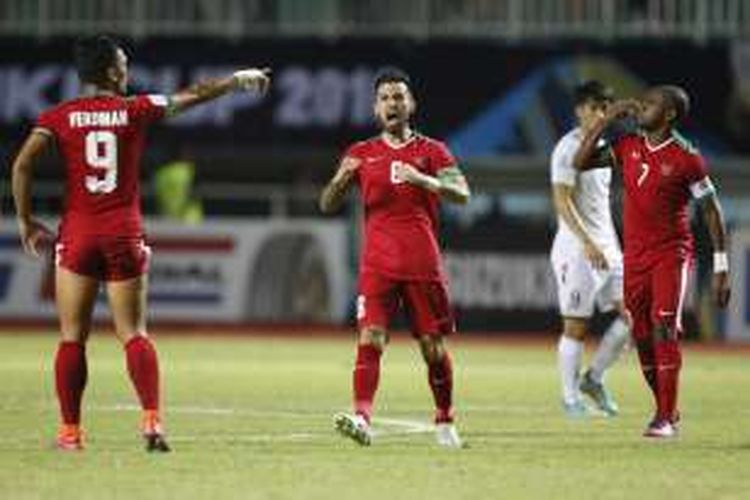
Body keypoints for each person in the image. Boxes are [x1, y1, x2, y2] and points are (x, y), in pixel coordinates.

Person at [11, 35, 270, 452]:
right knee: (133, 333)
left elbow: (22, 164)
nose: (127, 70)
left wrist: (24, 220)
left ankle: (70, 433)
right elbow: (192, 95)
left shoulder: (57, 117)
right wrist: (236, 81)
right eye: (124, 63)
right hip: (123, 233)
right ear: (112, 71)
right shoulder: (134, 109)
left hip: (77, 234)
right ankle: (151, 422)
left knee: (72, 338)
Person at [319, 67, 470, 447]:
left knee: (433, 348)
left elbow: (462, 193)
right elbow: (326, 203)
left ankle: (445, 420)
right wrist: (340, 180)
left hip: (422, 262)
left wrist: (425, 181)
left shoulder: (432, 151)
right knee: (371, 338)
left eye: (399, 97)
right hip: (377, 265)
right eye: (385, 98)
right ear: (375, 107)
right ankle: (361, 417)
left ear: (411, 104)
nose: (392, 104)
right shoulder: (360, 153)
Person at [573, 85, 731, 438]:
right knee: (642, 335)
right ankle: (666, 410)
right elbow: (580, 162)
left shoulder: (686, 157)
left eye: (651, 104)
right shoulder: (627, 146)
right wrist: (606, 122)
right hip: (636, 257)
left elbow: (711, 210)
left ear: (670, 114)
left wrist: (721, 266)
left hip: (670, 255)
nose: (641, 106)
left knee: (663, 327)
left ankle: (663, 417)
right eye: (642, 102)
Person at [550, 80, 630, 418]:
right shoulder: (567, 149)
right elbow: (562, 202)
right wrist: (586, 242)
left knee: (636, 318)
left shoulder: (604, 149)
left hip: (609, 248)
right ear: (579, 110)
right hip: (577, 250)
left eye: (604, 108)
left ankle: (594, 379)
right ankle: (570, 399)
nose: (599, 114)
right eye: (594, 107)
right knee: (576, 327)